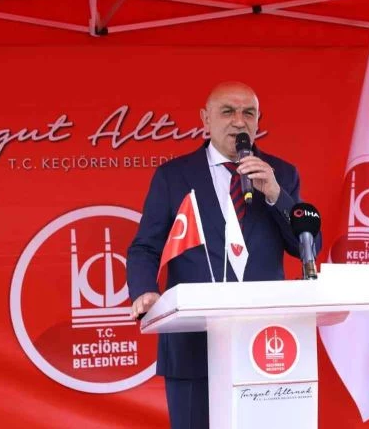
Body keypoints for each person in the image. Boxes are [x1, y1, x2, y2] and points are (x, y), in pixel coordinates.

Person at [126, 81, 316, 429]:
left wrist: (276, 195)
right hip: (192, 345)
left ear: (258, 121)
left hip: (265, 342)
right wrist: (144, 291)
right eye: (228, 111)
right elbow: (145, 246)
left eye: (248, 113)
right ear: (206, 119)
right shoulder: (173, 176)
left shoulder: (282, 174)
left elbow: (307, 248)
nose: (239, 121)